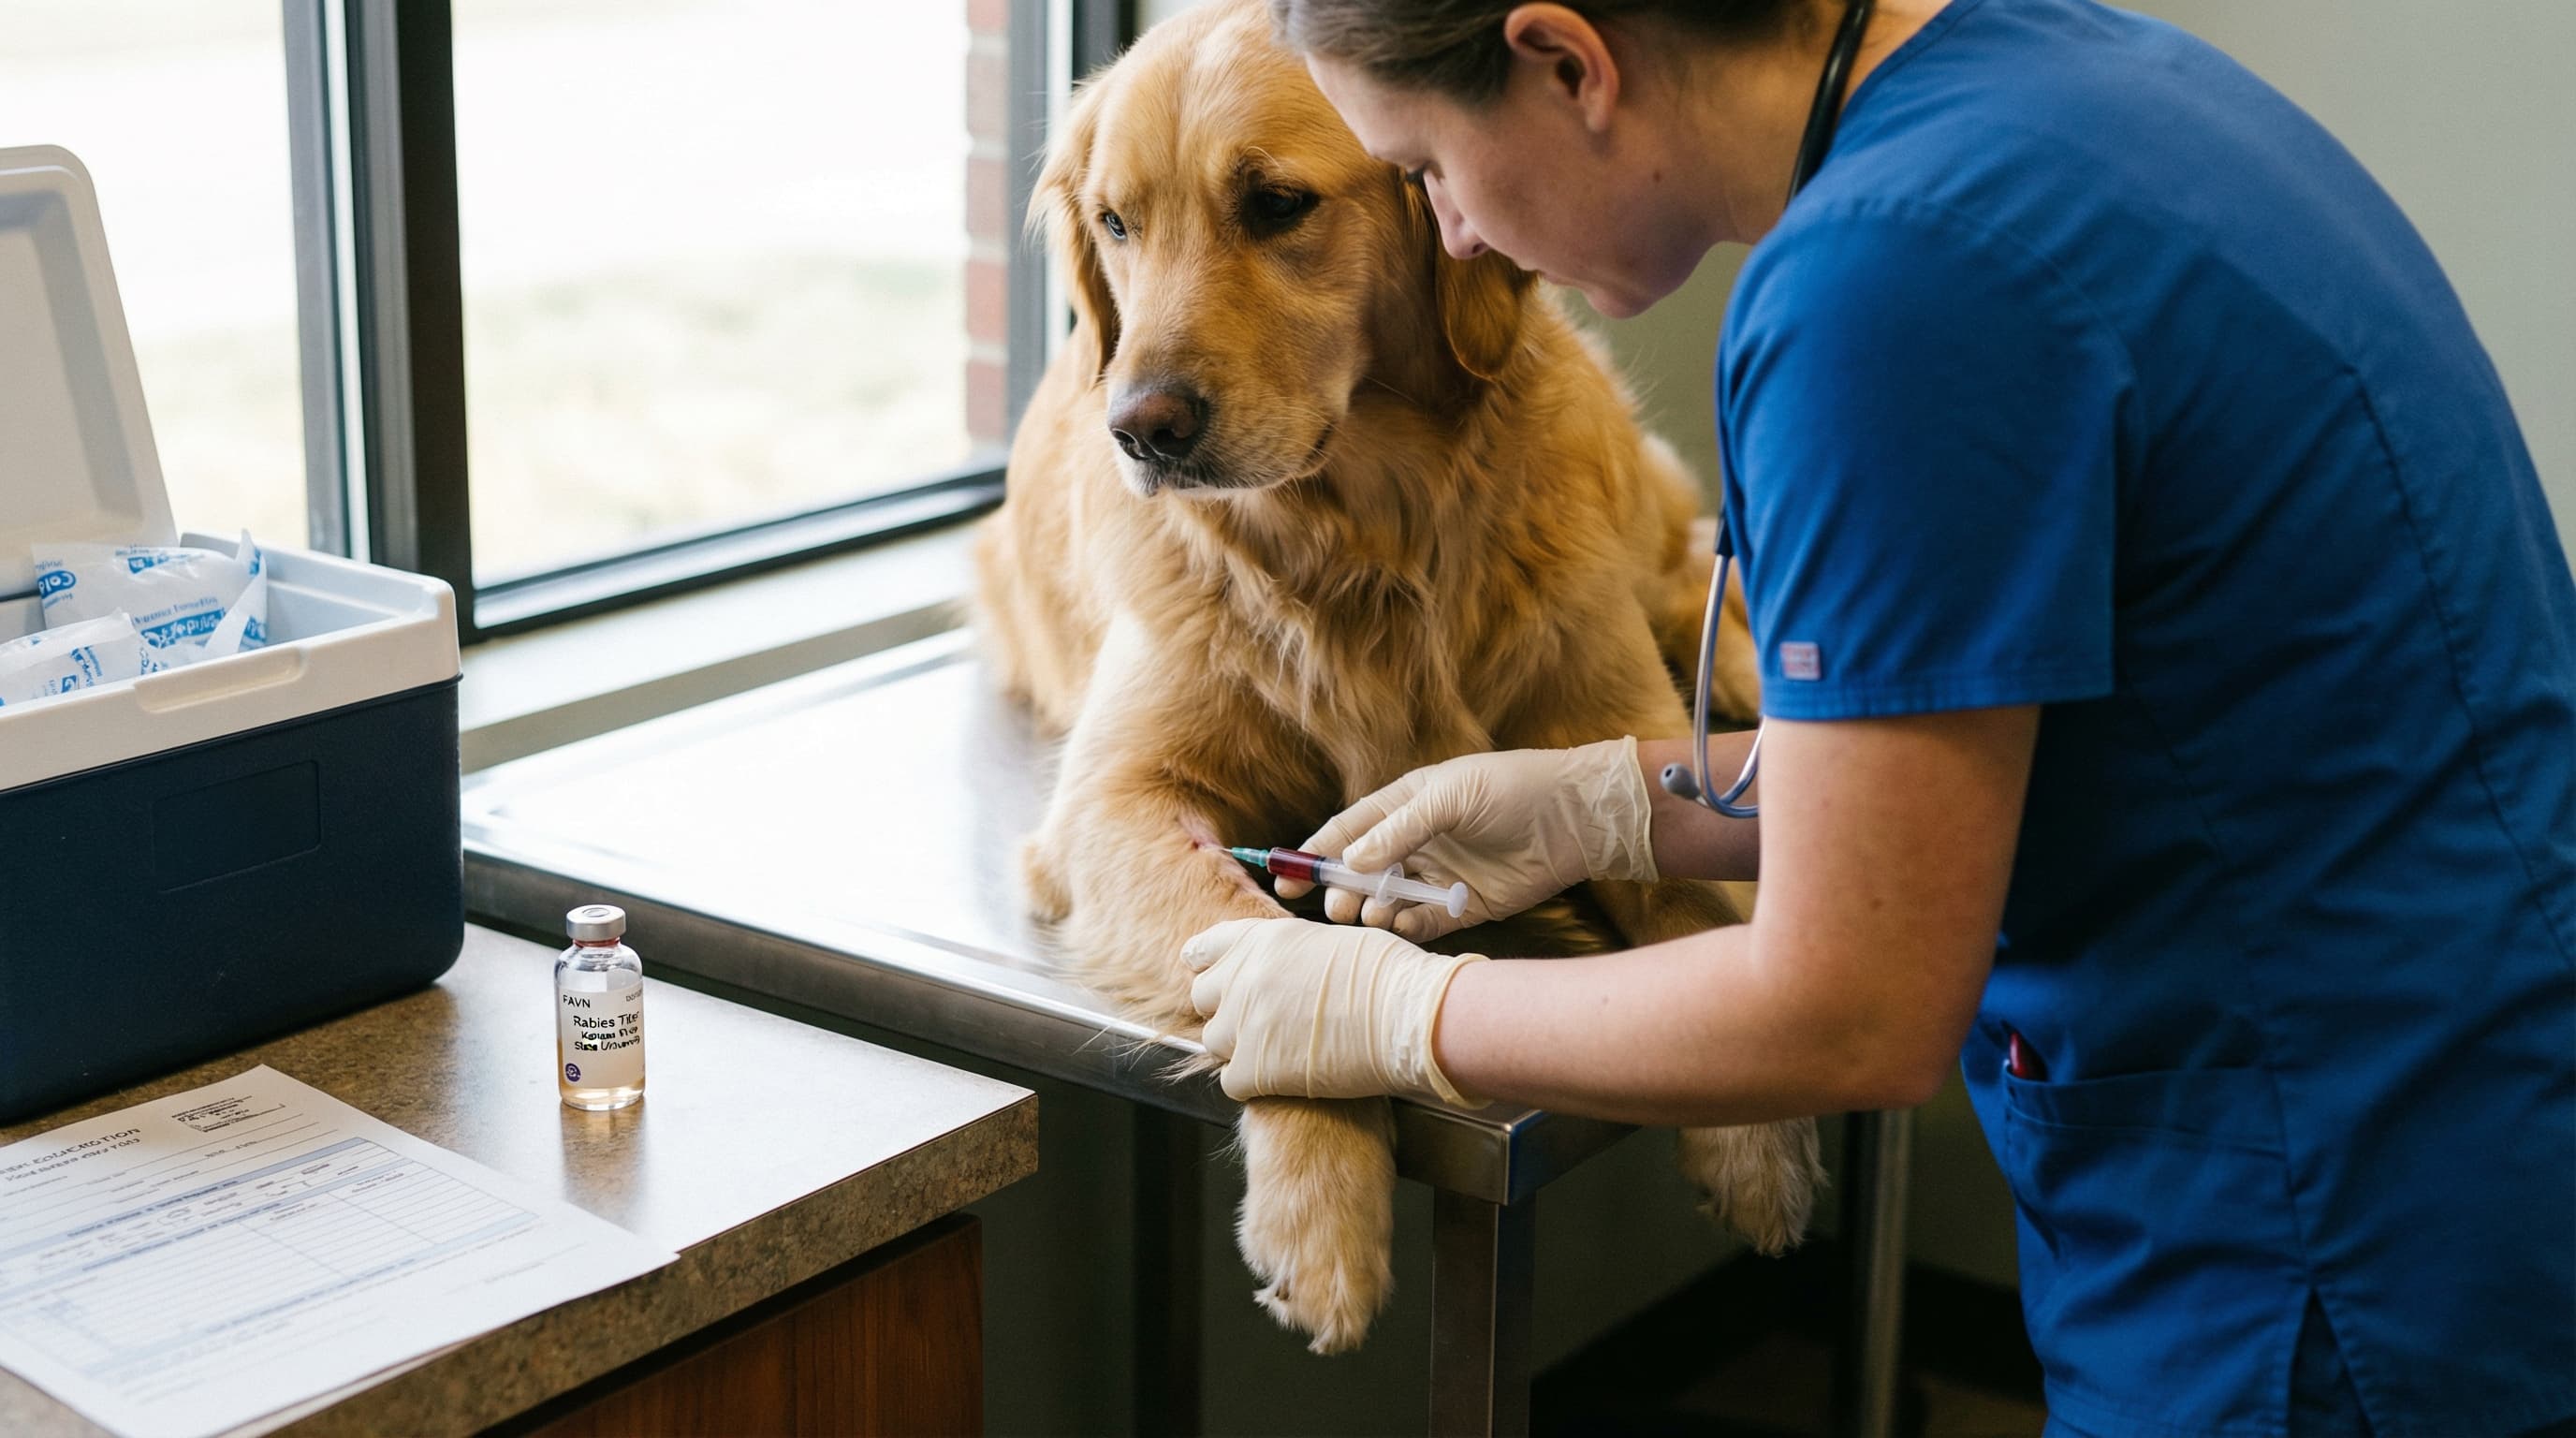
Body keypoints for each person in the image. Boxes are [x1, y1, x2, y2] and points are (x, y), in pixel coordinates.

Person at [1178, 1, 2576, 1432]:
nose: (1454, 235)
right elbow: (2005, 734)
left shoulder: (1888, 288)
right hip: (2478, 1101)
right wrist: (1610, 806)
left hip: (2332, 1236)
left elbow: (1852, 1011)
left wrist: (1411, 1013)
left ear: (1567, 62)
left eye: (1425, 169)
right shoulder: (2063, 79)